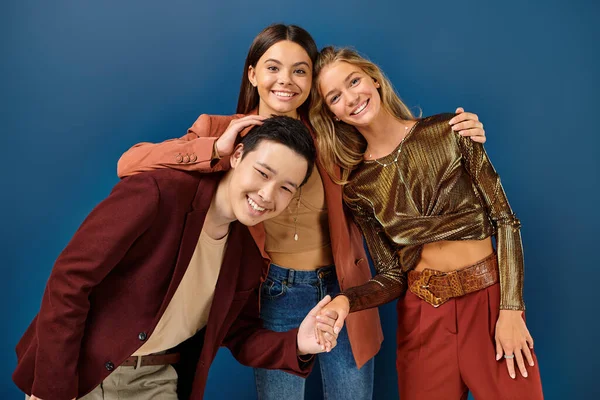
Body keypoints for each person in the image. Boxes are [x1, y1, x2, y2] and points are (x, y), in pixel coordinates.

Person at [116, 24, 486, 400]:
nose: (286, 81)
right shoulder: (220, 132)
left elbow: (394, 144)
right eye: (273, 67)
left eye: (300, 70)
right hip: (273, 291)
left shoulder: (332, 134)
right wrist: (215, 149)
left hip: (343, 290)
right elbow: (130, 162)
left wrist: (454, 133)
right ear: (253, 74)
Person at [13, 116, 340, 400]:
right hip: (81, 370)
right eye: (263, 173)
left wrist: (298, 342)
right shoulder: (158, 194)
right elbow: (71, 278)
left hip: (157, 381)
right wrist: (52, 387)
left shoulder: (247, 257)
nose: (267, 195)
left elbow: (240, 335)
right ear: (238, 155)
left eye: (286, 188)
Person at [310, 46, 544, 400]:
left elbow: (505, 221)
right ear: (334, 115)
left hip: (489, 304)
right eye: (335, 97)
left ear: (373, 78)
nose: (351, 97)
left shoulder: (451, 131)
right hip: (422, 317)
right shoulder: (358, 187)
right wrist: (347, 301)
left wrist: (511, 308)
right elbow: (392, 275)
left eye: (353, 80)